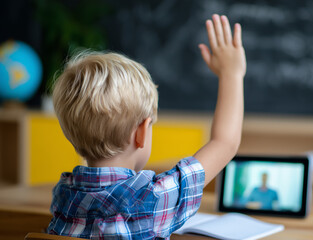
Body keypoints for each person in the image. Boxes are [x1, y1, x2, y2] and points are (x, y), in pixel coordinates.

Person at [47, 14, 246, 239]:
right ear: (141, 132)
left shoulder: (63, 195)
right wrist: (232, 73)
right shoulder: (154, 199)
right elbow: (225, 142)